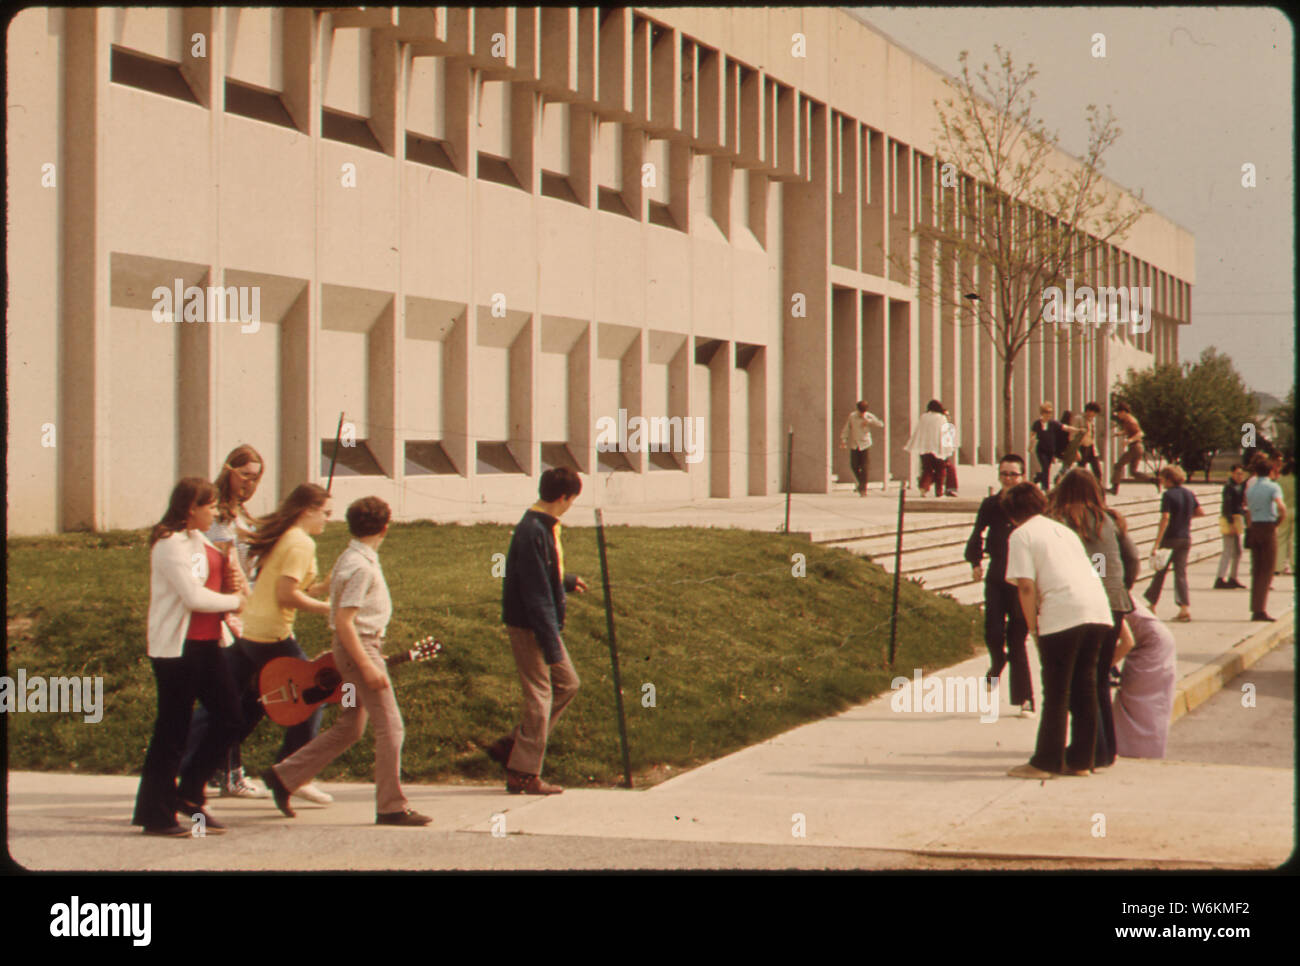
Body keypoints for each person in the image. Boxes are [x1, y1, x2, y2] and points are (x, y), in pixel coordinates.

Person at [263, 497, 431, 826]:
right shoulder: (362, 567)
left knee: (351, 725)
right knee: (391, 728)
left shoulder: (351, 555)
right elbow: (344, 621)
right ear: (385, 527)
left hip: (350, 652)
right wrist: (367, 666)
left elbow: (331, 596)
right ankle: (390, 807)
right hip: (359, 651)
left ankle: (283, 776)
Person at [181, 483, 335, 807]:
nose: (328, 520)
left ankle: (188, 763)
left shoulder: (288, 536)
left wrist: (325, 587)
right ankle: (292, 774)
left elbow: (293, 587)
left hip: (252, 630)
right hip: (271, 635)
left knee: (234, 706)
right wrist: (327, 608)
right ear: (308, 511)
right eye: (326, 513)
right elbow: (285, 595)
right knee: (312, 698)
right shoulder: (300, 543)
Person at [132, 478, 248, 836]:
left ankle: (189, 794)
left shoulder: (199, 541)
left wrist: (230, 585)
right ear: (190, 508)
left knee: (232, 718)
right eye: (209, 506)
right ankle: (155, 814)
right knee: (172, 731)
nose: (215, 512)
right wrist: (235, 602)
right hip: (177, 650)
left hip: (208, 643)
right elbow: (193, 597)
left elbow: (214, 582)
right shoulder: (169, 545)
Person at [483, 467, 589, 794]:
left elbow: (543, 573)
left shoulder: (542, 528)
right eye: (572, 500)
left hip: (541, 623)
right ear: (563, 498)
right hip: (531, 625)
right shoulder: (532, 530)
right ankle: (523, 773)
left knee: (568, 684)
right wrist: (549, 640)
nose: (571, 505)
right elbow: (535, 592)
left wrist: (565, 581)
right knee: (540, 695)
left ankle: (514, 745)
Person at [1002, 483, 1114, 778]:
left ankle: (1044, 762)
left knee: (1056, 691)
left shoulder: (1021, 535)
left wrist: (1033, 628)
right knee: (1084, 687)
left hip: (1063, 613)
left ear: (1012, 515)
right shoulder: (1063, 530)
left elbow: (1026, 587)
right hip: (1097, 610)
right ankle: (1080, 760)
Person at [189, 445, 270, 800]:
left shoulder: (244, 516)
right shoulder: (219, 517)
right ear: (229, 471)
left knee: (252, 695)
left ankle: (216, 766)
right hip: (229, 615)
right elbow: (222, 566)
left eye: (256, 477)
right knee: (234, 695)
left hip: (249, 610)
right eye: (245, 475)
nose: (250, 483)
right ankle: (227, 771)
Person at [1047, 469, 1139, 769]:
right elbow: (1132, 560)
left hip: (1082, 604)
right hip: (1114, 601)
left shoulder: (1060, 520)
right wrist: (1121, 587)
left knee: (1080, 681)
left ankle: (1086, 749)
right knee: (1099, 677)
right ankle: (1105, 748)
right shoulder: (1111, 520)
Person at [966, 454, 1034, 715]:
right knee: (993, 633)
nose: (1008, 479)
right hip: (996, 575)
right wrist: (975, 562)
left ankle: (1025, 698)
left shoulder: (1032, 505)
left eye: (1013, 474)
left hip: (1022, 578)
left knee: (1017, 639)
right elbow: (978, 534)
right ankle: (997, 664)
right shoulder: (990, 504)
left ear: (1022, 476)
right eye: (1004, 474)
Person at [1112, 599, 1177, 759]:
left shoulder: (1110, 599)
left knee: (1138, 702)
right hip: (1154, 642)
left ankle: (1139, 753)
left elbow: (1126, 642)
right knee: (1146, 706)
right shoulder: (1114, 591)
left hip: (1150, 646)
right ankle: (1146, 752)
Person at [1143, 465, 1204, 621]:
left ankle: (1151, 604)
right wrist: (1184, 518)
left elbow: (1165, 518)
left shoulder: (1168, 495)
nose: (1161, 482)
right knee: (1181, 573)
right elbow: (1200, 512)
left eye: (1163, 478)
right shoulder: (1189, 493)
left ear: (1169, 479)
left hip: (1170, 538)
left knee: (1160, 572)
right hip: (1185, 537)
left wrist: (1156, 543)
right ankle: (1184, 608)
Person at [1244, 456, 1286, 621]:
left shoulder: (1251, 489)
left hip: (1254, 526)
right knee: (1267, 569)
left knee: (1256, 569)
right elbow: (1281, 508)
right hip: (1268, 526)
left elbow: (1247, 511)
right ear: (1270, 471)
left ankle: (1255, 606)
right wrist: (1277, 523)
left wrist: (1250, 528)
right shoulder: (1273, 487)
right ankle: (1260, 608)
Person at [1214, 464, 1248, 589]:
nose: (1240, 476)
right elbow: (1227, 505)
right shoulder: (1230, 487)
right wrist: (1230, 521)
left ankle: (1233, 577)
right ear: (1232, 473)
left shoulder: (1239, 486)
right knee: (1228, 550)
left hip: (1237, 518)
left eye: (1241, 474)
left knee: (1238, 551)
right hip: (1231, 519)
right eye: (1238, 473)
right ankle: (1220, 578)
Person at [839, 400, 884, 496]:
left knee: (864, 467)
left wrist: (869, 421)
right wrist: (844, 440)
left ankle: (863, 489)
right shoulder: (852, 416)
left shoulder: (868, 416)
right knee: (854, 465)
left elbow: (880, 424)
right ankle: (861, 484)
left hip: (865, 444)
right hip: (855, 444)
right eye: (860, 412)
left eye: (863, 412)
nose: (862, 414)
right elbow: (847, 428)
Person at [905, 399, 949, 497]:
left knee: (927, 469)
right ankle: (939, 491)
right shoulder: (942, 418)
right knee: (940, 471)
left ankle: (924, 487)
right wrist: (948, 449)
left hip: (925, 449)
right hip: (939, 450)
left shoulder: (923, 417)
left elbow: (918, 432)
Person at [1109, 401, 1152, 494]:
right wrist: (1120, 433)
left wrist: (1129, 440)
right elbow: (1130, 431)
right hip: (1137, 447)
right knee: (1133, 472)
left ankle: (1114, 488)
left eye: (1119, 413)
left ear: (1124, 412)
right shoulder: (1129, 420)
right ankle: (1154, 480)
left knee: (1118, 465)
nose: (1118, 415)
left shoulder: (1130, 421)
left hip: (1135, 447)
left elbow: (1140, 433)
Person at [1030, 402, 1061, 489]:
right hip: (1041, 449)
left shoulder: (1052, 423)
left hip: (1050, 450)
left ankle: (1038, 478)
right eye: (1047, 412)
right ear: (1042, 413)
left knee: (1046, 469)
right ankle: (1045, 487)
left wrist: (1076, 430)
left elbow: (1064, 427)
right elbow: (1032, 436)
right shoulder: (1037, 424)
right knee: (1045, 468)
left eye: (1050, 412)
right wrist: (1031, 446)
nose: (1049, 414)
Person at [1052, 410, 1085, 485]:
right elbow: (1068, 440)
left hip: (1060, 449)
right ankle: (1061, 477)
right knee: (1068, 464)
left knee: (1068, 464)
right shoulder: (1067, 428)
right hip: (1066, 449)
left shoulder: (1060, 427)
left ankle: (1062, 476)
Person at [1076, 402, 1104, 480]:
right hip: (1082, 447)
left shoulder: (1091, 421)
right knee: (1081, 472)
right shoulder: (1079, 419)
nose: (1094, 415)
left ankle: (1098, 490)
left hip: (1092, 448)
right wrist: (1076, 450)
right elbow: (1073, 435)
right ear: (1088, 410)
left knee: (1098, 472)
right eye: (1094, 412)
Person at [940, 409, 959, 497]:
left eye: (948, 415)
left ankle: (950, 489)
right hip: (939, 454)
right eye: (946, 415)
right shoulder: (941, 426)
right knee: (949, 469)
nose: (948, 417)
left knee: (950, 470)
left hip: (944, 454)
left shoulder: (948, 427)